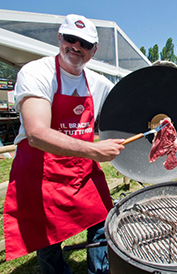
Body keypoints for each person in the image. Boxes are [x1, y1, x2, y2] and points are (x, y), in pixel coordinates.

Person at [3, 14, 125, 274]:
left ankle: (100, 271)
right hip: (41, 171)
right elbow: (36, 133)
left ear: (93, 50)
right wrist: (94, 150)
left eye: (84, 43)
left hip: (80, 170)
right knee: (47, 240)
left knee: (103, 222)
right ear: (60, 38)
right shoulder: (37, 72)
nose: (76, 47)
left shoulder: (99, 83)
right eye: (70, 39)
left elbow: (133, 107)